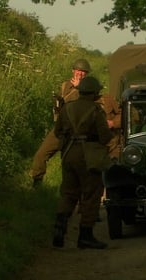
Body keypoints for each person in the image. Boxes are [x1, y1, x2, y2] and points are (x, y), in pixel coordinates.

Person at [52, 76, 113, 249]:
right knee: (91, 194)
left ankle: (59, 228)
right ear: (95, 93)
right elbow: (105, 136)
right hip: (88, 156)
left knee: (69, 193)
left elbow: (57, 132)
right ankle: (85, 235)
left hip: (69, 154)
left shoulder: (67, 108)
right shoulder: (96, 110)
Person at [30, 58, 91, 187]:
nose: (79, 74)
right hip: (61, 127)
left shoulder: (90, 89)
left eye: (83, 72)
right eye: (78, 71)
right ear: (73, 71)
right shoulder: (65, 85)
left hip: (77, 131)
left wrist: (80, 89)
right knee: (40, 155)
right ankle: (37, 182)